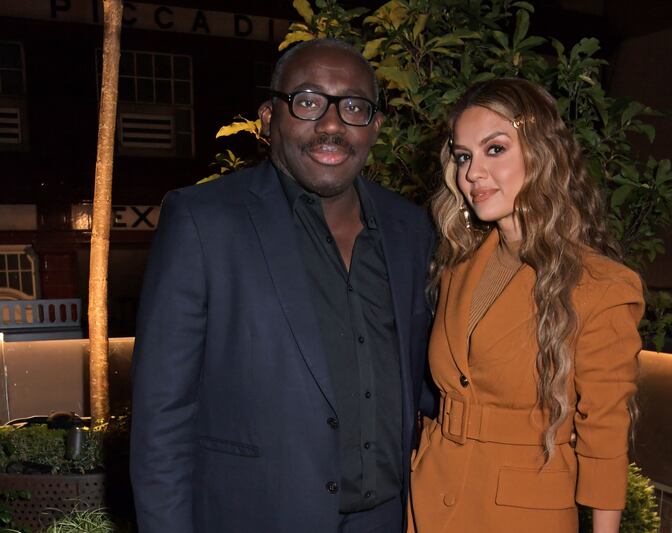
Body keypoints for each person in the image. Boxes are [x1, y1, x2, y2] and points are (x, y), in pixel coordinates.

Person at [130, 38, 435, 533]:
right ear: (270, 117)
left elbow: (428, 379)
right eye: (309, 102)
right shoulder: (203, 220)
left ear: (376, 125)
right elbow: (162, 414)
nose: (332, 125)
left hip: (384, 520)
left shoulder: (410, 230)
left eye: (354, 106)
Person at [408, 78, 644, 533]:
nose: (472, 173)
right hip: (428, 497)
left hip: (522, 513)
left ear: (542, 154)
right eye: (463, 156)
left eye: (494, 149)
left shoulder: (603, 286)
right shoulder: (457, 263)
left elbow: (605, 434)